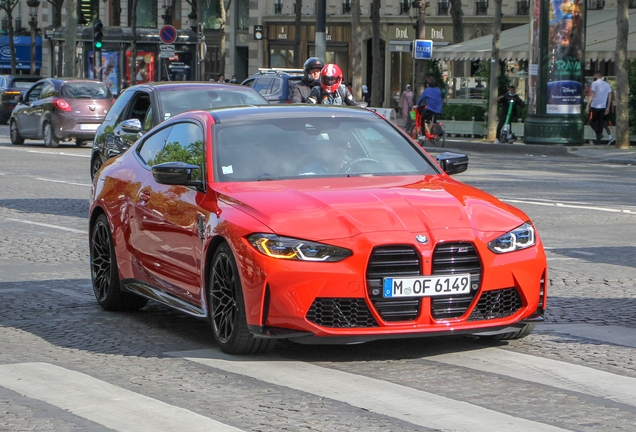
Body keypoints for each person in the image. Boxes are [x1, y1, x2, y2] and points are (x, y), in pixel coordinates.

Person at [586, 72, 613, 145]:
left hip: (595, 105)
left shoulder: (594, 83)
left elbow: (591, 94)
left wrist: (588, 105)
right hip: (603, 106)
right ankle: (598, 140)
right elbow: (610, 96)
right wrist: (608, 107)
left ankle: (598, 135)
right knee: (600, 123)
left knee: (591, 122)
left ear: (596, 76)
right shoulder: (606, 84)